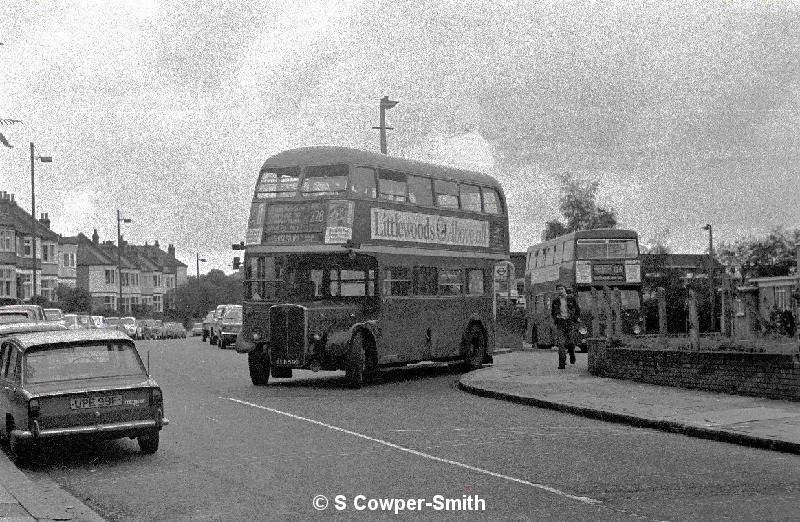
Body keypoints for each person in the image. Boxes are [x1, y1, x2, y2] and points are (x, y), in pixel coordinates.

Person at [550, 284, 581, 369]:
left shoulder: (571, 299)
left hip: (570, 322)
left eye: (561, 289)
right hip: (560, 323)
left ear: (565, 289)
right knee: (561, 343)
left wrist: (574, 319)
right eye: (558, 289)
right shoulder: (555, 300)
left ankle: (572, 354)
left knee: (570, 342)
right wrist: (556, 319)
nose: (560, 290)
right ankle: (562, 364)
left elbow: (578, 310)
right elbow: (553, 312)